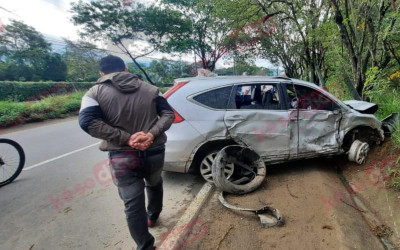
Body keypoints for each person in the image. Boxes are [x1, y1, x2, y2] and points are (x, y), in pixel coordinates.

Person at [78, 55, 175, 250]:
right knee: (155, 183)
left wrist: (126, 138)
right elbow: (169, 114)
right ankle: (153, 216)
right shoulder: (152, 89)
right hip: (154, 150)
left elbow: (87, 122)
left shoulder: (93, 93)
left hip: (122, 156)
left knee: (132, 204)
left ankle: (145, 246)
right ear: (126, 68)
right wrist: (150, 134)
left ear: (101, 73)